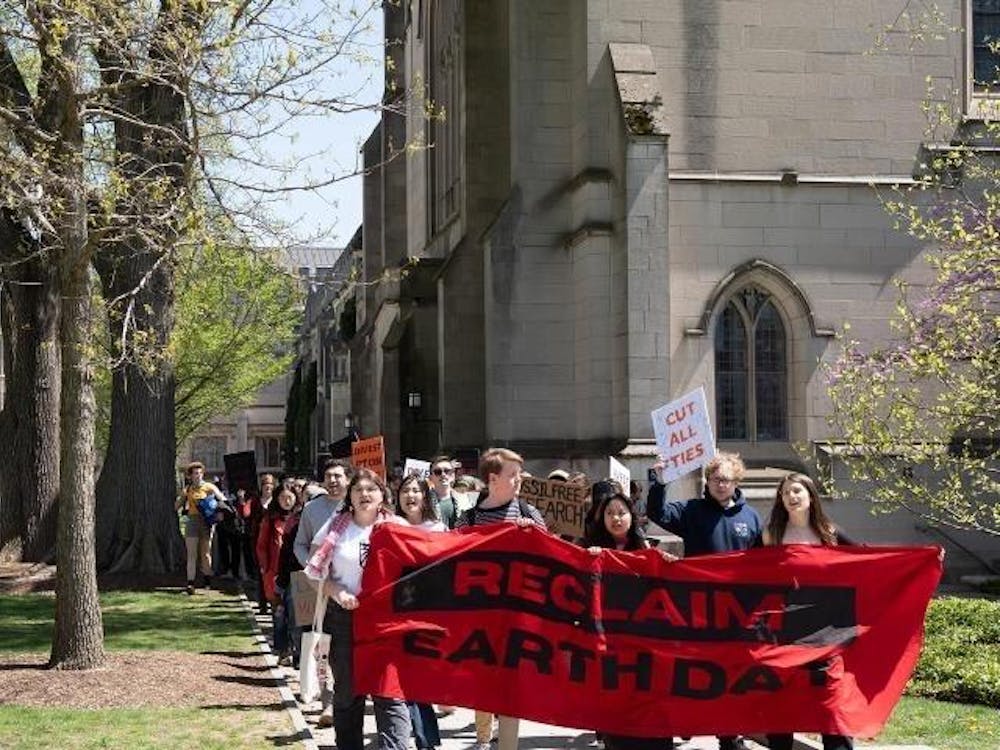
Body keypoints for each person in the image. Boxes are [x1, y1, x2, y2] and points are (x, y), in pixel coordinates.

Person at [646, 451, 762, 750]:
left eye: (726, 479)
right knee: (696, 673)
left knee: (731, 675)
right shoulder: (692, 511)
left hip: (736, 613)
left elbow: (765, 561)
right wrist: (658, 481)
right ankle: (688, 722)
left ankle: (729, 735)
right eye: (715, 479)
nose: (720, 485)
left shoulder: (751, 517)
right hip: (698, 609)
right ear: (707, 481)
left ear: (736, 480)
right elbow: (658, 514)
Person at [305, 469, 410, 750]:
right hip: (344, 620)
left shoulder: (398, 526)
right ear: (350, 496)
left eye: (371, 489)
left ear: (382, 495)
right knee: (348, 694)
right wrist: (336, 592)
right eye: (358, 489)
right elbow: (313, 573)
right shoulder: (334, 527)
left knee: (389, 693)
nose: (365, 494)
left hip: (385, 622)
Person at [456, 447, 548, 750]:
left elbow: (549, 561)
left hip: (517, 615)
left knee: (510, 681)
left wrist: (534, 537)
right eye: (513, 474)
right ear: (493, 478)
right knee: (482, 677)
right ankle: (483, 740)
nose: (520, 479)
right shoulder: (468, 519)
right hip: (479, 614)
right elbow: (452, 560)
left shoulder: (528, 514)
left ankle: (508, 743)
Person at [764, 472, 854, 750]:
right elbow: (743, 571)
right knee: (781, 702)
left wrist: (923, 558)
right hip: (784, 631)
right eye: (785, 493)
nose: (791, 497)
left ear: (810, 495)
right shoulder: (771, 534)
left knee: (831, 702)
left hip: (827, 632)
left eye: (796, 491)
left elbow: (867, 560)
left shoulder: (830, 532)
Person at [582, 489, 675, 750]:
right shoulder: (590, 550)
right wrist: (588, 561)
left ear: (632, 517)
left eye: (621, 512)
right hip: (610, 646)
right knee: (617, 715)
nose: (616, 518)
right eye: (610, 513)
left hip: (645, 647)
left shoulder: (648, 551)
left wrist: (667, 564)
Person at [293, 460, 352, 727]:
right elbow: (300, 545)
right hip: (319, 589)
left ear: (348, 479)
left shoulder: (357, 507)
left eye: (338, 476)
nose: (333, 481)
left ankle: (350, 696)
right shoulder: (311, 509)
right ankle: (327, 702)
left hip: (351, 587)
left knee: (348, 647)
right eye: (328, 476)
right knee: (324, 644)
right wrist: (312, 569)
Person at [394, 475, 444, 750]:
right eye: (405, 490)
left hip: (427, 611)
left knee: (420, 679)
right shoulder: (389, 526)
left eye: (416, 490)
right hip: (396, 610)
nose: (410, 495)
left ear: (425, 496)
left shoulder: (437, 528)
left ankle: (426, 739)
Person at [257, 484, 298, 663]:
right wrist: (265, 567)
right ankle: (282, 649)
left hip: (294, 571)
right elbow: (262, 546)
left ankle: (295, 650)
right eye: (283, 498)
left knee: (296, 614)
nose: (287, 501)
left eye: (290, 497)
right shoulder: (270, 519)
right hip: (274, 571)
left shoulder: (300, 518)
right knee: (279, 612)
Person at [177, 461, 228, 595]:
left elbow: (222, 499)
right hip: (192, 521)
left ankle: (207, 581)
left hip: (206, 522)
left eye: (200, 473)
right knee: (192, 553)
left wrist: (217, 509)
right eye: (195, 473)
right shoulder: (187, 490)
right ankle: (190, 583)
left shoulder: (209, 487)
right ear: (190, 476)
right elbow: (176, 506)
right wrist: (181, 500)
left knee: (205, 553)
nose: (198, 475)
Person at [427, 455, 459, 529]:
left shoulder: (465, 500)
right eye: (438, 472)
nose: (443, 475)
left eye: (447, 471)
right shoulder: (423, 502)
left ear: (453, 475)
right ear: (431, 477)